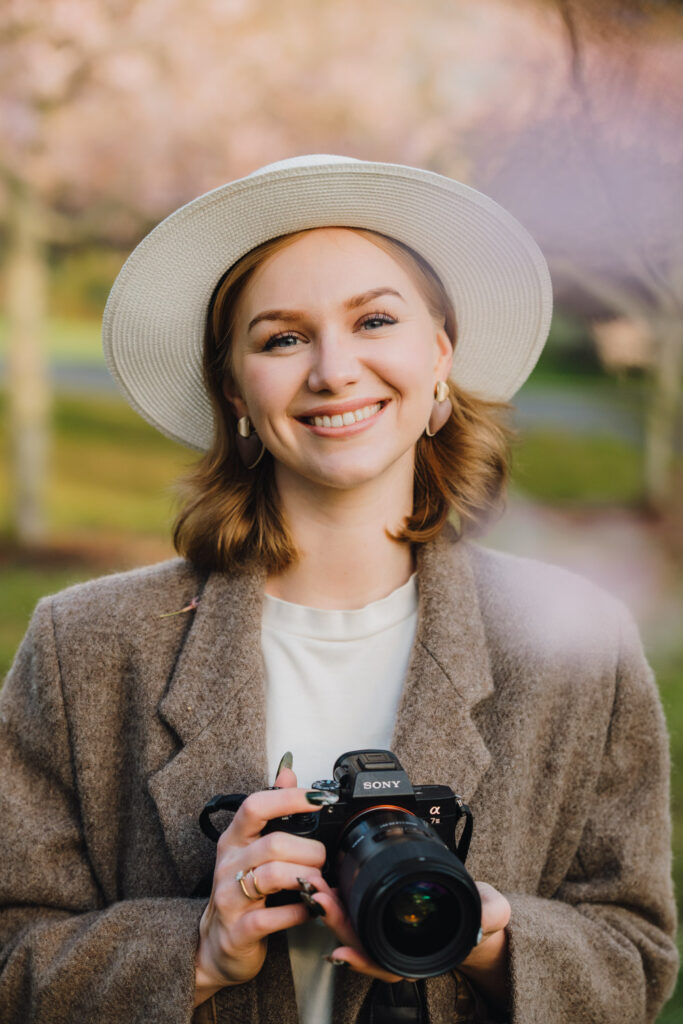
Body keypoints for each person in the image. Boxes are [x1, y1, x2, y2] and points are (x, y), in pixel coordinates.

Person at [0, 154, 677, 1024]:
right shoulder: (83, 646)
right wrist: (197, 949)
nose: (333, 370)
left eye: (374, 321)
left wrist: (489, 938)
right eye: (281, 337)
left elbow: (635, 955)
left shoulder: (577, 641)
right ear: (235, 392)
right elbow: (13, 957)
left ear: (439, 357)